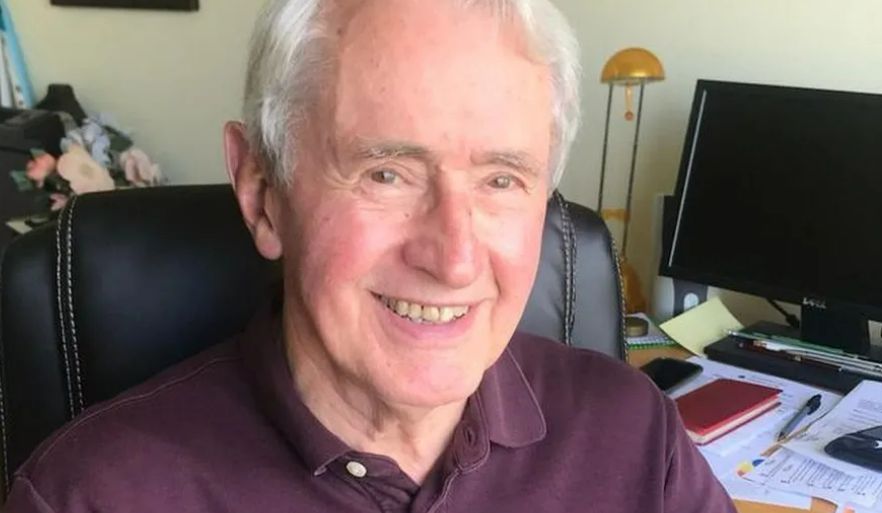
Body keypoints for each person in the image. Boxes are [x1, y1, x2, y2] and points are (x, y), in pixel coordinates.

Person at [4, 1, 735, 511]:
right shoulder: (91, 495)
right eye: (386, 173)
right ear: (263, 192)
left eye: (501, 179)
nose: (452, 257)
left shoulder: (633, 432)